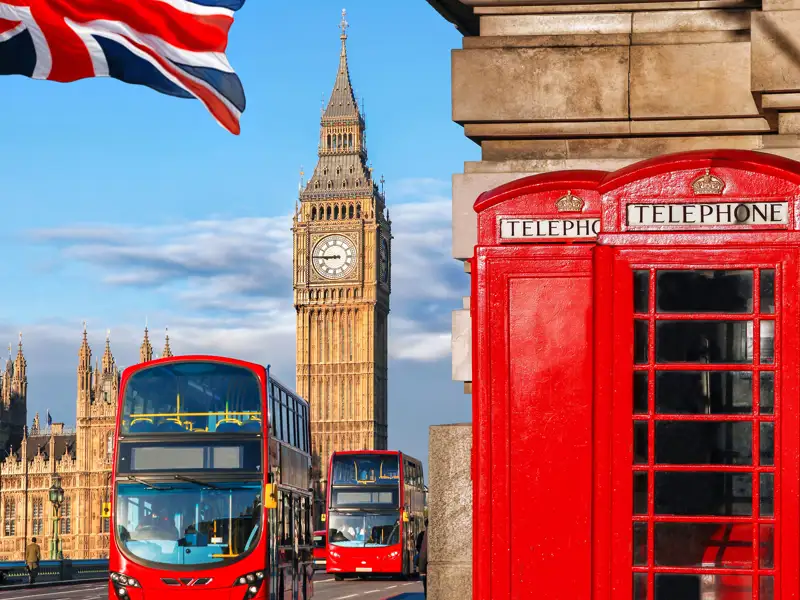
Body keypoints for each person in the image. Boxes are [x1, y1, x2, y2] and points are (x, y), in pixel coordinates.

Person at [418, 523, 428, 598]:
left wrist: (421, 569)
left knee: (427, 589)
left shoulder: (423, 534)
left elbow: (422, 551)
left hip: (427, 566)